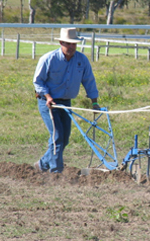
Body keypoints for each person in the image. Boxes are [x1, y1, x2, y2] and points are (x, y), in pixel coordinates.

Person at [33, 27, 100, 173]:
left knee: (65, 139)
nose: (71, 47)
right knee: (57, 137)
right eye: (68, 44)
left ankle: (42, 165)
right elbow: (38, 82)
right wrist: (48, 97)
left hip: (66, 103)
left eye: (73, 44)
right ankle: (56, 172)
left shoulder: (81, 60)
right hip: (49, 103)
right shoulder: (48, 59)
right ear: (61, 43)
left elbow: (89, 81)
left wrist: (94, 102)